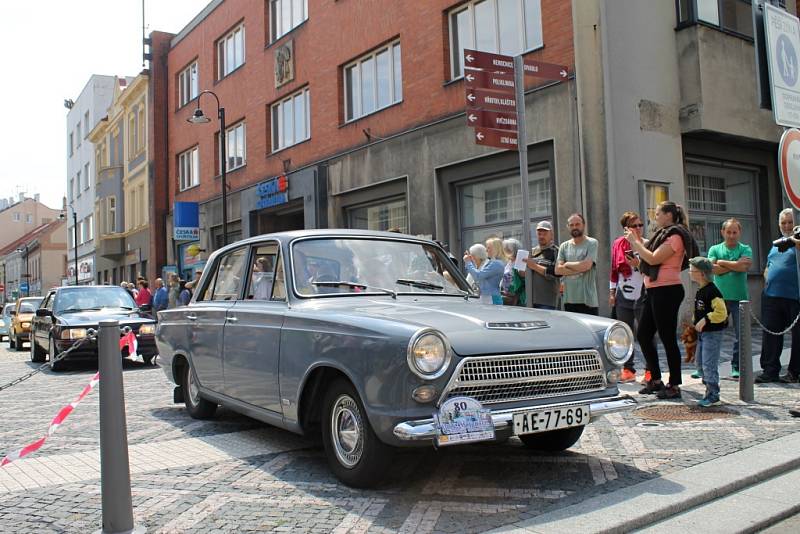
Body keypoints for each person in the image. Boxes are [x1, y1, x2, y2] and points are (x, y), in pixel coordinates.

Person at [627, 201, 699, 400]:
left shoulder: (675, 236)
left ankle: (674, 384)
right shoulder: (663, 235)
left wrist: (636, 243)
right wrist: (637, 262)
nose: (654, 216)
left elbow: (653, 259)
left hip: (667, 291)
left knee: (667, 338)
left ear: (668, 215)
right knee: (643, 334)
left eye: (658, 213)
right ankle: (656, 379)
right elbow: (648, 262)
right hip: (653, 291)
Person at [758, 208, 800, 383]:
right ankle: (770, 370)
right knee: (771, 335)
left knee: (798, 336)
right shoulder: (776, 245)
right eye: (783, 223)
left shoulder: (796, 243)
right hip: (772, 296)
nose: (787, 226)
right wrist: (767, 277)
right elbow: (769, 265)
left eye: (790, 222)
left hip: (795, 296)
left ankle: (794, 372)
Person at [707, 218, 752, 379]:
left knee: (741, 336)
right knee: (712, 334)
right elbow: (713, 270)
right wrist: (734, 264)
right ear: (722, 232)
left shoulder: (745, 248)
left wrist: (723, 263)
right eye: (728, 232)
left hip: (740, 299)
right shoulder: (714, 248)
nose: (732, 235)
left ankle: (736, 366)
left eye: (735, 232)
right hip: (719, 299)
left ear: (739, 233)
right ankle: (706, 366)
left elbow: (744, 267)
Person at [610, 212, 648, 383]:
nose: (639, 229)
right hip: (623, 294)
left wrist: (638, 264)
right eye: (635, 226)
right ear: (626, 228)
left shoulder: (647, 244)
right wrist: (612, 293)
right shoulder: (618, 245)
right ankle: (628, 369)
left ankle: (650, 370)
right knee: (625, 333)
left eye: (641, 225)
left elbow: (652, 269)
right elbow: (613, 271)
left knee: (646, 332)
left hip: (643, 293)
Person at [689, 257, 728, 407]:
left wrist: (706, 319)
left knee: (708, 364)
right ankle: (708, 388)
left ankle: (713, 393)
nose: (691, 273)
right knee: (699, 362)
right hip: (703, 334)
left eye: (693, 271)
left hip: (712, 334)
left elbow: (721, 312)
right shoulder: (701, 290)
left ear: (703, 274)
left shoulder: (712, 291)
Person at [555, 213, 599, 315]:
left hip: (588, 301)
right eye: (571, 225)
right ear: (568, 227)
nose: (574, 227)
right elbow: (557, 270)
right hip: (569, 300)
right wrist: (580, 267)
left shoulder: (592, 243)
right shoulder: (564, 246)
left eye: (577, 224)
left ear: (583, 225)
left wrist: (566, 264)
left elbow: (587, 266)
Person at [520, 220, 561, 310]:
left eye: (545, 233)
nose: (541, 236)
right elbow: (523, 276)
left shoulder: (556, 251)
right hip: (530, 300)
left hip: (547, 301)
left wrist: (534, 266)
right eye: (539, 234)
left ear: (552, 235)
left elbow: (554, 274)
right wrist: (520, 268)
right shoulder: (531, 251)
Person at [464, 238, 505, 305]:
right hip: (488, 297)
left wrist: (468, 262)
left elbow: (478, 276)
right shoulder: (493, 262)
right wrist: (470, 262)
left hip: (491, 298)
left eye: (488, 248)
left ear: (495, 249)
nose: (486, 250)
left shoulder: (496, 263)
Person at [501, 238, 523, 305]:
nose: (506, 251)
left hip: (516, 296)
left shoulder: (520, 262)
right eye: (505, 249)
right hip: (506, 294)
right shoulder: (509, 262)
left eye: (508, 249)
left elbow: (521, 280)